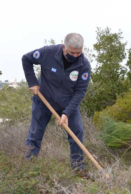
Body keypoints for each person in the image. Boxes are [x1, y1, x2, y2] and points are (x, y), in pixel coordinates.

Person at [22, 33, 91, 175]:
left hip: (68, 104)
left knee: (77, 132)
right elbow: (26, 59)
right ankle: (27, 167)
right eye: (72, 52)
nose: (76, 56)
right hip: (43, 102)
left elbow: (80, 91)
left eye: (79, 53)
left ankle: (78, 170)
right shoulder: (48, 52)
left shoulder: (84, 65)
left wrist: (67, 113)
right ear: (64, 47)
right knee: (35, 134)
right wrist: (32, 82)